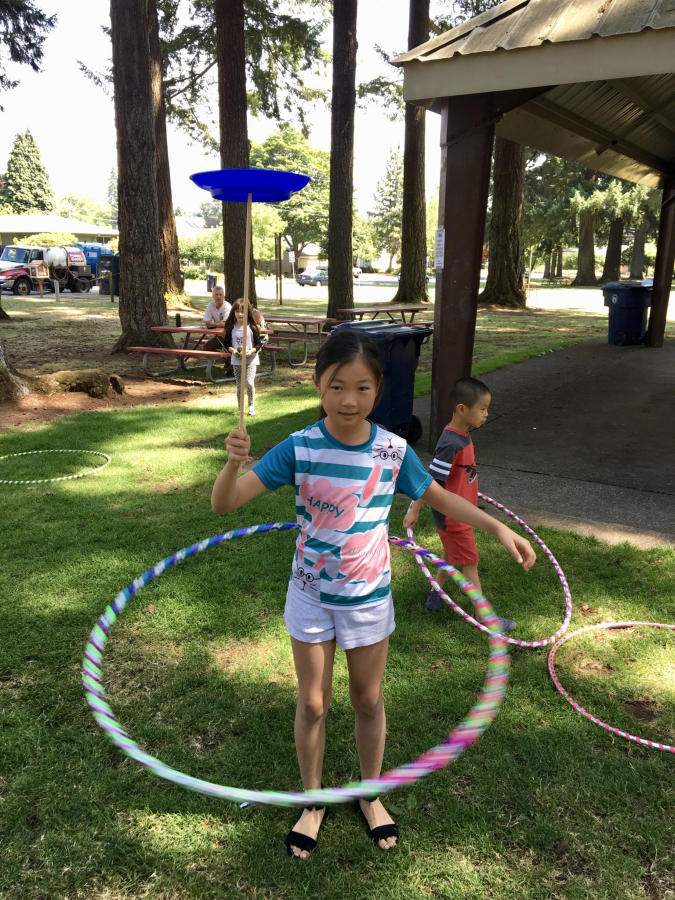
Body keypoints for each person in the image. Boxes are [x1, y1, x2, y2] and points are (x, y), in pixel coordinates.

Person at [211, 332, 535, 859]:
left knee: (367, 699)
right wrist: (232, 465)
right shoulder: (300, 447)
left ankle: (369, 792)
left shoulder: (392, 450)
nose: (347, 400)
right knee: (312, 703)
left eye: (361, 388)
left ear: (378, 389)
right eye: (335, 386)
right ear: (318, 383)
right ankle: (312, 801)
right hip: (311, 595)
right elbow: (225, 505)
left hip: (367, 597)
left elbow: (439, 498)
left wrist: (498, 529)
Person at [403, 377, 517, 630]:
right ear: (462, 409)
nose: (487, 414)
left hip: (461, 511)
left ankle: (435, 593)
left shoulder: (460, 435)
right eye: (483, 408)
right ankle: (484, 616)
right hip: (453, 516)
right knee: (470, 563)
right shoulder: (451, 443)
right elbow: (429, 480)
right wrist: (415, 508)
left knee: (450, 553)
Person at [222, 298, 263, 416]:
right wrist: (233, 351)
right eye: (237, 311)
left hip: (251, 360)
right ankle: (241, 408)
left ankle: (251, 406)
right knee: (240, 385)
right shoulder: (231, 327)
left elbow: (258, 343)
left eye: (243, 311)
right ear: (233, 312)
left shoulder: (252, 327)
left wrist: (251, 351)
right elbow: (226, 344)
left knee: (249, 383)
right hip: (237, 360)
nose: (240, 314)